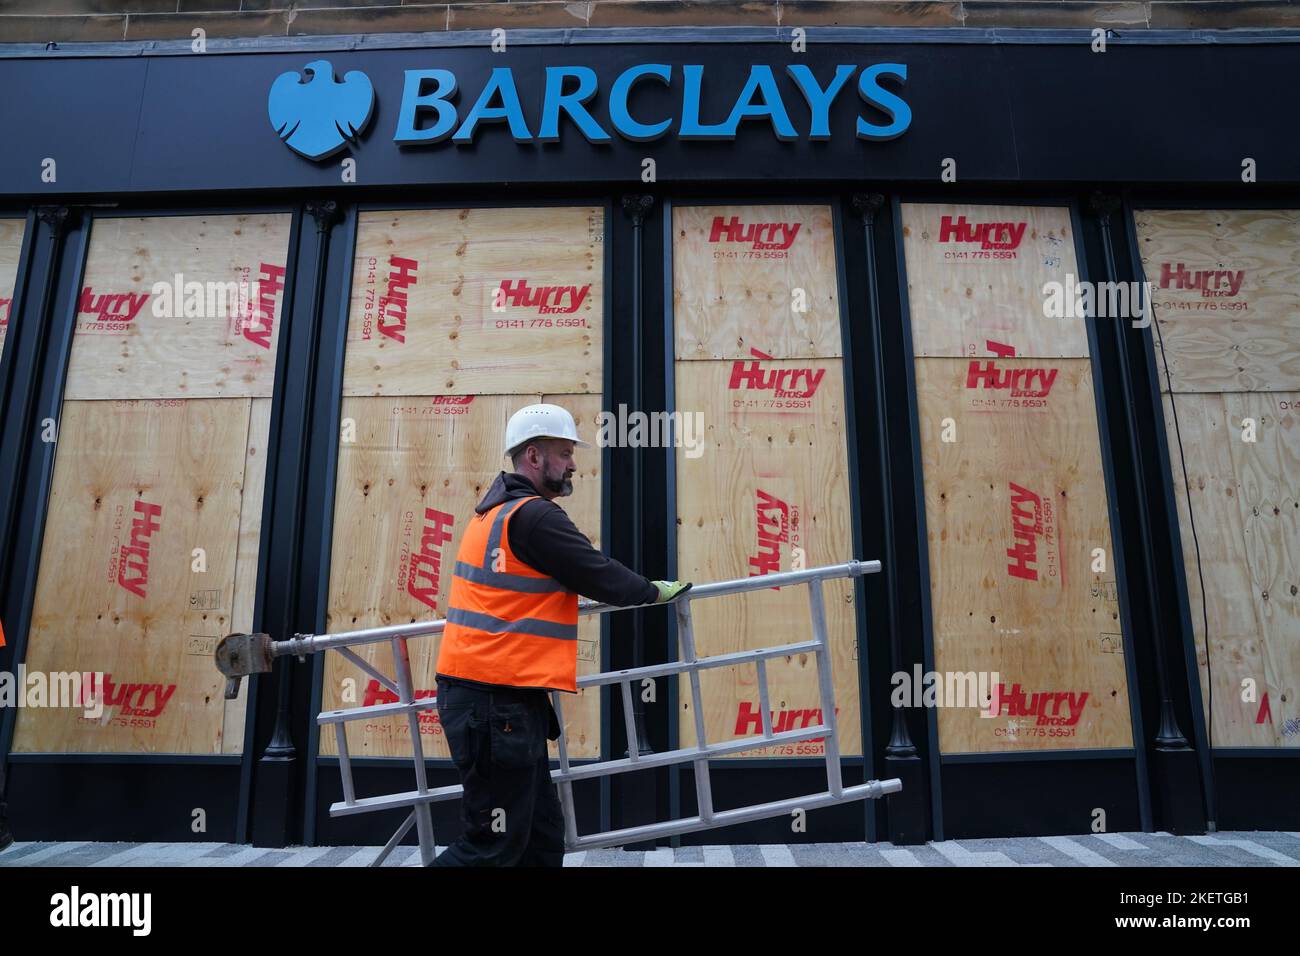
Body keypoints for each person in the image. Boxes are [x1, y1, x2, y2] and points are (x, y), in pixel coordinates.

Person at [430, 403, 690, 867]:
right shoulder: (534, 517)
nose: (573, 464)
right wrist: (652, 591)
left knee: (539, 839)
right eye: (565, 452)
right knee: (493, 843)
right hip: (493, 704)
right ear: (534, 455)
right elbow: (596, 573)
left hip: (497, 701)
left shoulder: (494, 514)